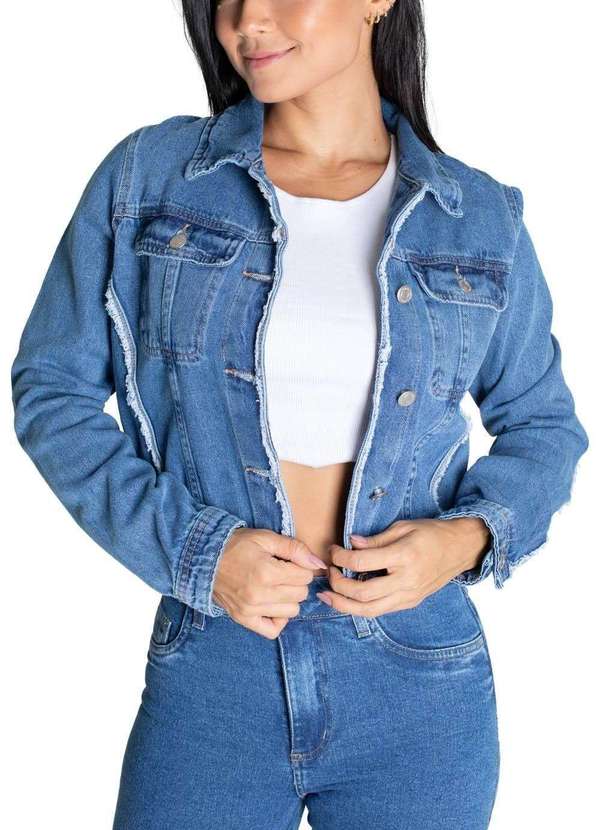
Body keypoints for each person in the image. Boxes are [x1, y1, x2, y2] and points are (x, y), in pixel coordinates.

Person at [11, 1, 589, 828]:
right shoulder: (153, 178)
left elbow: (543, 426)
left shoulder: (478, 216)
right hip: (215, 666)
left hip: (419, 685)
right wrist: (196, 552)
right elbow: (53, 389)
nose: (248, 19)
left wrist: (462, 542)